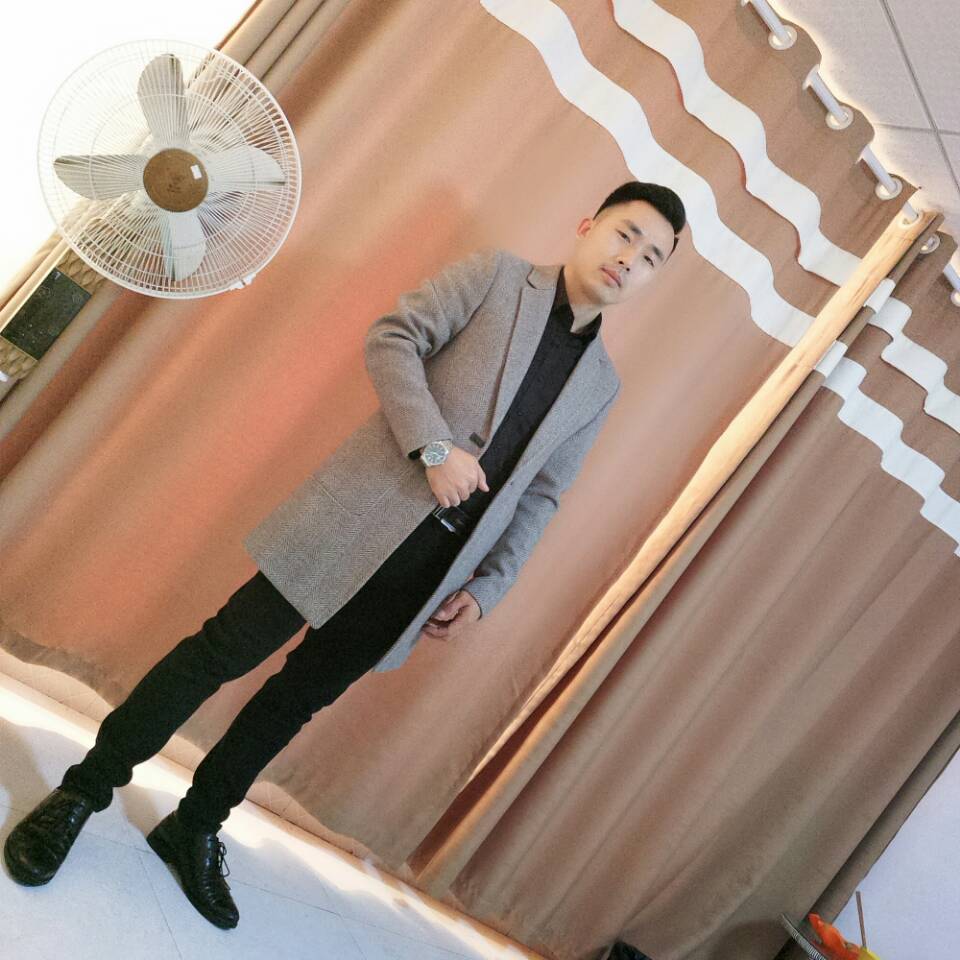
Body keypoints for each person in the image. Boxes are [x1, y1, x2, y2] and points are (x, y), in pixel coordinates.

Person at [3, 181, 686, 929]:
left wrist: (488, 587)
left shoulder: (600, 386)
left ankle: (194, 826)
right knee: (219, 653)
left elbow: (542, 495)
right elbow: (394, 337)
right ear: (588, 225)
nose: (630, 258)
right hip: (351, 518)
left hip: (430, 575)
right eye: (625, 233)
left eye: (652, 256)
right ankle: (82, 791)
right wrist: (434, 448)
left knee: (293, 703)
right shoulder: (497, 277)